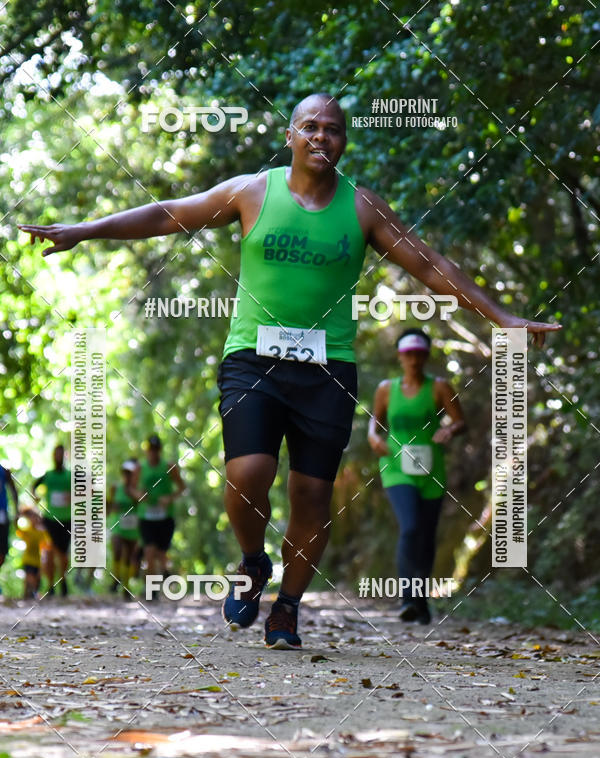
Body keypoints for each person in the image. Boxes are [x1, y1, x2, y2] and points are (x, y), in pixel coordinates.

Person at [18, 93, 560, 647]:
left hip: (327, 369)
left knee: (310, 496)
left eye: (333, 129)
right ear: (291, 137)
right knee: (247, 475)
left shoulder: (362, 208)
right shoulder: (253, 191)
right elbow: (169, 213)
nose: (321, 136)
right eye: (310, 127)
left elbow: (429, 265)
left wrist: (502, 317)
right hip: (253, 358)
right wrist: (87, 229)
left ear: (344, 141)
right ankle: (253, 561)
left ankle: (288, 608)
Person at [368, 328, 466, 624]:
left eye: (419, 354)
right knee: (410, 527)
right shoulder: (387, 389)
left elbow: (460, 420)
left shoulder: (439, 387)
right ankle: (407, 598)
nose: (414, 359)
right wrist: (373, 436)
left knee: (426, 535)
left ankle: (421, 602)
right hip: (396, 467)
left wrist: (449, 429)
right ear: (400, 356)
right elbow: (375, 422)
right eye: (408, 354)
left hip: (430, 468)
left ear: (426, 356)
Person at [126, 436, 184, 595]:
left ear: (160, 450)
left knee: (160, 554)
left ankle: (165, 573)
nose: (153, 452)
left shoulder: (169, 467)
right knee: (149, 552)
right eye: (150, 449)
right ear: (147, 451)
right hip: (146, 517)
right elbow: (131, 488)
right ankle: (150, 590)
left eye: (156, 449)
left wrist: (169, 498)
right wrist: (139, 495)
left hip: (165, 517)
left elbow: (181, 487)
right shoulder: (140, 468)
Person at [32, 445, 71, 596]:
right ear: (53, 456)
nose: (59, 456)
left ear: (65, 456)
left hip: (67, 520)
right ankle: (50, 584)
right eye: (56, 454)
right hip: (50, 519)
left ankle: (62, 579)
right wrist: (35, 497)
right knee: (50, 552)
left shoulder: (70, 476)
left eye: (61, 454)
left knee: (63, 554)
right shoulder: (48, 475)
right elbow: (34, 486)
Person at [107, 459, 140, 598]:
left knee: (129, 557)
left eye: (130, 473)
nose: (127, 476)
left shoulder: (138, 490)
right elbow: (108, 506)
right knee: (117, 550)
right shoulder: (115, 488)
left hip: (132, 527)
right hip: (118, 525)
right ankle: (116, 578)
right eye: (125, 473)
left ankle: (126, 586)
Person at [16, 508, 48, 599]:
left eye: (35, 517)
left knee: (37, 579)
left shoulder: (42, 533)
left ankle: (31, 594)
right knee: (29, 577)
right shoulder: (27, 531)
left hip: (37, 560)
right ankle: (29, 594)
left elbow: (45, 545)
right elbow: (18, 530)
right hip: (28, 559)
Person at [0, 463, 19, 597]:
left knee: (2, 552)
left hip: (2, 516)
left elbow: (13, 491)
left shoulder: (4, 472)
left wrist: (17, 511)